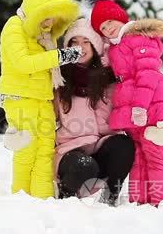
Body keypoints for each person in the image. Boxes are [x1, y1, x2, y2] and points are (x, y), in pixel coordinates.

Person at [87, 0, 163, 206]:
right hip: (133, 112)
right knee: (139, 156)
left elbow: (147, 74)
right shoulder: (117, 46)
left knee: (154, 152)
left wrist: (140, 106)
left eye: (110, 21)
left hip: (148, 108)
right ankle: (142, 200)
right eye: (102, 27)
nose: (108, 28)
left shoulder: (138, 38)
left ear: (120, 17)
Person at [0, 0, 81, 199]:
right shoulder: (14, 27)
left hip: (42, 99)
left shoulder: (45, 38)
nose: (50, 22)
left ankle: (42, 198)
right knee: (27, 149)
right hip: (20, 98)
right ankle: (22, 198)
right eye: (46, 15)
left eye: (55, 18)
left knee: (45, 151)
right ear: (35, 8)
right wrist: (59, 57)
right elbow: (22, 64)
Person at [53, 18, 135, 206]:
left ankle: (110, 198)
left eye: (85, 42)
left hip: (101, 146)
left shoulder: (110, 78)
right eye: (74, 42)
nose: (80, 47)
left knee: (124, 144)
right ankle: (65, 199)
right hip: (70, 152)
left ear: (96, 45)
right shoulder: (59, 78)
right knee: (84, 165)